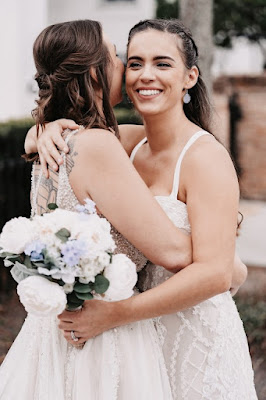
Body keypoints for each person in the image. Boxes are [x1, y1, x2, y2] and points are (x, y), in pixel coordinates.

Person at [27, 19, 258, 400]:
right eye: (133, 63)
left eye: (162, 64)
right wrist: (44, 130)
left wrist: (118, 314)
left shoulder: (205, 158)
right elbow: (81, 147)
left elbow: (215, 275)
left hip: (191, 333)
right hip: (135, 342)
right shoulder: (127, 145)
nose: (144, 75)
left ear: (190, 77)